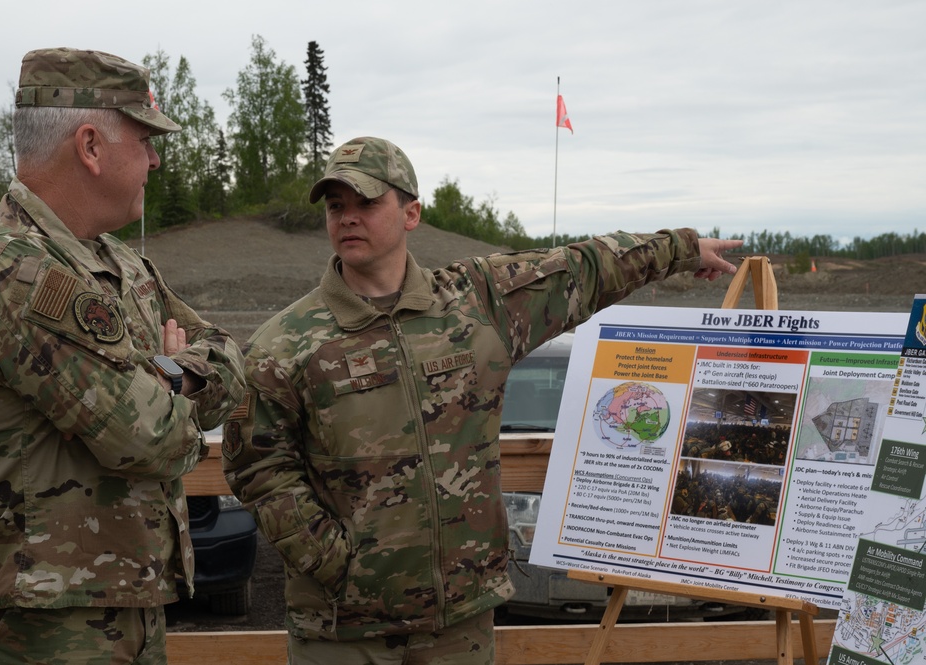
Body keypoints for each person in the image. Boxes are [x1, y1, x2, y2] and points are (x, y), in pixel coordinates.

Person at [221, 136, 742, 664]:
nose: (348, 218)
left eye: (367, 202)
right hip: (340, 631)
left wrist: (681, 249)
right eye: (337, 207)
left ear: (411, 213)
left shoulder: (477, 302)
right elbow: (257, 466)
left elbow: (584, 269)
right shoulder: (284, 342)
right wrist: (333, 560)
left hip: (460, 622)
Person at [0, 47, 246, 664]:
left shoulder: (117, 262)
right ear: (91, 146)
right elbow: (147, 435)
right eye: (145, 139)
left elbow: (232, 357)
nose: (155, 158)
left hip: (125, 609)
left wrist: (165, 377)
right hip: (34, 631)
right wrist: (173, 381)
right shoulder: (5, 266)